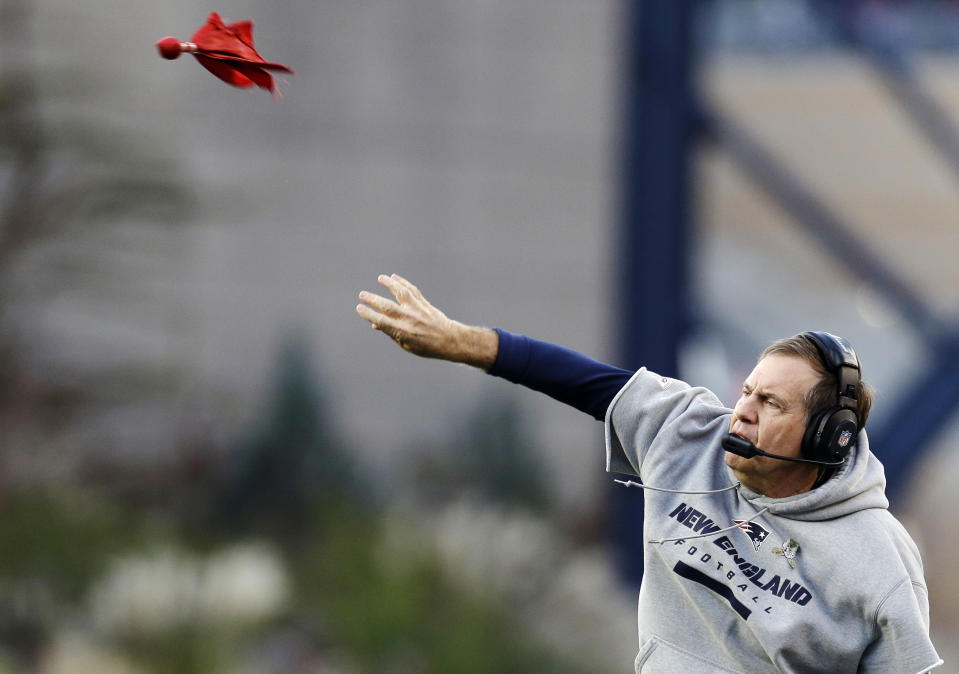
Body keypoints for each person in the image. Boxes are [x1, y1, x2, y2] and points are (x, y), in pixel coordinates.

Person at [356, 273, 943, 673]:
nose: (741, 409)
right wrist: (462, 343)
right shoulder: (689, 435)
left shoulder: (879, 561)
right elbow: (583, 381)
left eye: (772, 404)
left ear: (827, 437)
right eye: (747, 391)